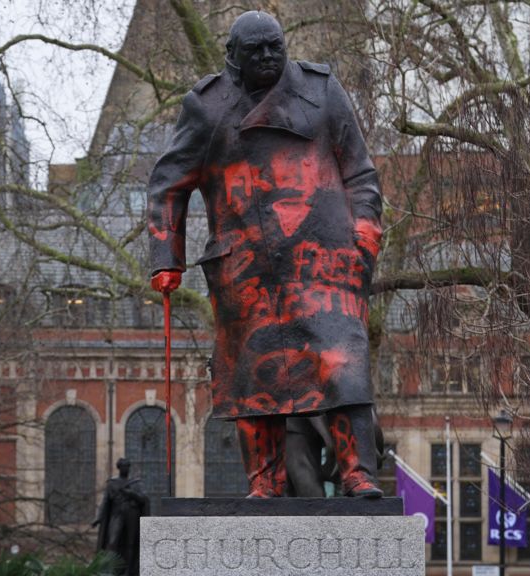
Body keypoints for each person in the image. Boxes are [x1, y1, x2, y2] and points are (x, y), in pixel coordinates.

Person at [147, 10, 383, 498]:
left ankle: (359, 473)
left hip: (326, 262)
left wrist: (364, 237)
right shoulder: (207, 108)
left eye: (275, 46)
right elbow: (168, 183)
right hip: (246, 269)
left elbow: (360, 171)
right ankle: (265, 481)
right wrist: (165, 256)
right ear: (232, 56)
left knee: (343, 364)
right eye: (256, 50)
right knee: (254, 377)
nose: (269, 56)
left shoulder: (322, 92)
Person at [92, 458, 150, 575]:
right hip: (116, 514)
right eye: (123, 466)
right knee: (112, 541)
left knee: (131, 542)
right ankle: (111, 569)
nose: (126, 469)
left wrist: (131, 494)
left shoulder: (136, 483)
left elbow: (144, 499)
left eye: (127, 466)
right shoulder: (112, 483)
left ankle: (129, 571)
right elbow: (105, 502)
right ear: (119, 468)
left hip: (132, 514)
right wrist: (98, 518)